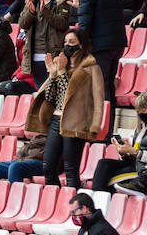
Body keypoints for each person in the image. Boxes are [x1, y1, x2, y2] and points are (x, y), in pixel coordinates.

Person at [26, 29, 105, 189]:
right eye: (65, 42)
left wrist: (95, 125)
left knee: (71, 168)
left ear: (81, 45)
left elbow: (98, 100)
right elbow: (50, 96)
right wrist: (53, 75)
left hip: (76, 123)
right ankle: (54, 200)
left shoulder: (92, 68)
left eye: (71, 42)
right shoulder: (60, 64)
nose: (67, 46)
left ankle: (72, 204)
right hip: (56, 119)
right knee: (48, 166)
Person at [92, 90, 147, 193]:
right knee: (104, 164)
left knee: (109, 176)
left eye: (144, 109)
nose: (141, 113)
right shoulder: (141, 127)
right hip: (135, 164)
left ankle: (102, 198)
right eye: (138, 110)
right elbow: (133, 153)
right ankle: (97, 196)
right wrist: (123, 152)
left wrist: (133, 152)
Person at [78, 0, 126, 101]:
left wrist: (81, 43)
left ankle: (102, 123)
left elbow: (85, 16)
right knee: (109, 85)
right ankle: (109, 122)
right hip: (117, 40)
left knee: (100, 85)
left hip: (99, 43)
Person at [18, 0, 72, 89]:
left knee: (55, 90)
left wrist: (45, 12)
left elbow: (63, 23)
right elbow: (22, 24)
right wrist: (31, 12)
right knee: (41, 91)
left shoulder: (61, 0)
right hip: (35, 55)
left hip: (55, 54)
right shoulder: (32, 0)